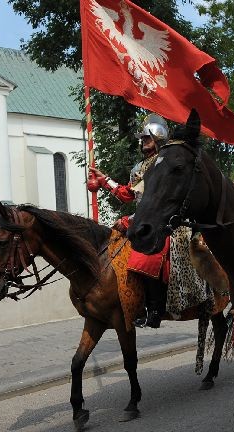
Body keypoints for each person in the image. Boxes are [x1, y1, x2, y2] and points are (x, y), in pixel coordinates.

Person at [89, 114, 170, 328]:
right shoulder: (139, 167)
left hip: (162, 221)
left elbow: (155, 201)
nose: (143, 142)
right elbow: (128, 195)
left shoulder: (163, 164)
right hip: (142, 222)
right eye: (142, 139)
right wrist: (104, 179)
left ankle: (155, 309)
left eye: (147, 138)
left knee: (147, 259)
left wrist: (129, 220)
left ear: (158, 139)